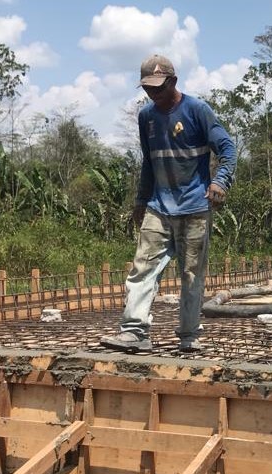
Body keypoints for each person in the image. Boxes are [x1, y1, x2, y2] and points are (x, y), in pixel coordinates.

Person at [100, 54, 236, 353]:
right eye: (148, 88)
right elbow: (148, 163)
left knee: (191, 274)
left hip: (194, 207)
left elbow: (227, 148)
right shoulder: (146, 117)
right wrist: (140, 200)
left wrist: (220, 180)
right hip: (159, 207)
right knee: (142, 268)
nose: (153, 94)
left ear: (173, 81)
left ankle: (188, 335)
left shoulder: (197, 111)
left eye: (158, 88)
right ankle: (134, 332)